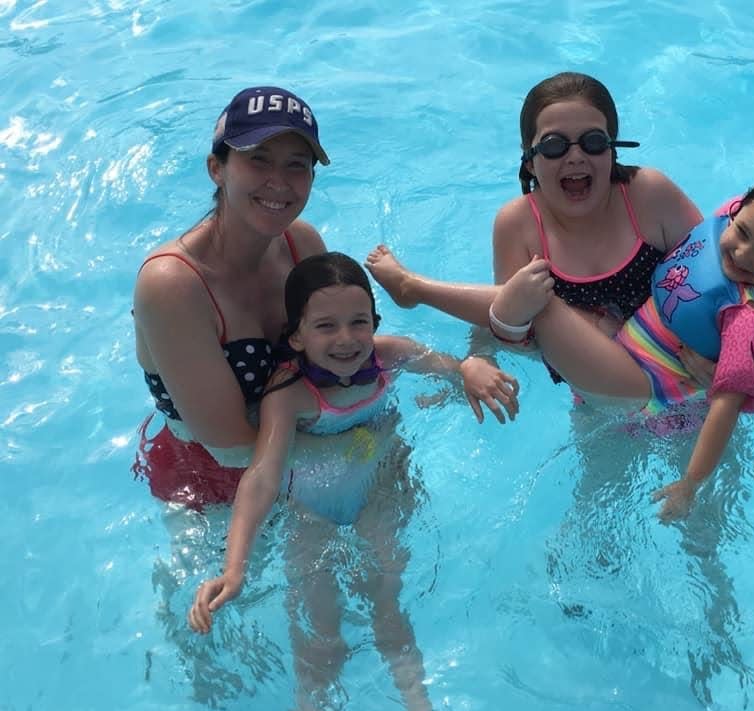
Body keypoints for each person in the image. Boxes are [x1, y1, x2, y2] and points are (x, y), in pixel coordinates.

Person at [133, 85, 516, 510]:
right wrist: (368, 444)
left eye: (297, 165)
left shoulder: (300, 243)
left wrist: (453, 371)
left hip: (320, 452)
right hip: (210, 490)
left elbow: (348, 345)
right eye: (258, 160)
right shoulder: (172, 284)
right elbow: (231, 446)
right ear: (216, 169)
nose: (278, 182)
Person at [187, 252, 520, 711]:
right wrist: (235, 568)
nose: (346, 339)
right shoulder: (290, 395)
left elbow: (451, 368)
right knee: (319, 629)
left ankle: (420, 708)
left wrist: (470, 368)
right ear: (297, 336)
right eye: (325, 326)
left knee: (388, 607)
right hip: (311, 509)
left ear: (375, 321)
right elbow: (262, 475)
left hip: (382, 493)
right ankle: (311, 710)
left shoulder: (392, 354)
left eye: (358, 322)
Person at [489, 167, 754, 521]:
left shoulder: (749, 315)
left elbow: (725, 409)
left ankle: (706, 560)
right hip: (611, 383)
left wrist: (690, 483)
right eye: (743, 231)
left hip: (669, 415)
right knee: (594, 494)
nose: (742, 254)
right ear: (740, 206)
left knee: (699, 516)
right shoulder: (732, 218)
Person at [365, 70, 710, 386]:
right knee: (531, 299)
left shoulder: (649, 195)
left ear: (612, 150)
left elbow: (725, 275)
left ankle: (415, 288)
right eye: (554, 146)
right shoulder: (519, 225)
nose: (575, 156)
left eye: (592, 141)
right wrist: (479, 359)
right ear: (529, 158)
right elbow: (509, 321)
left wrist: (725, 357)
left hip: (690, 370)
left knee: (533, 300)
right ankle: (411, 288)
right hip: (597, 390)